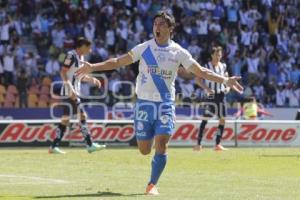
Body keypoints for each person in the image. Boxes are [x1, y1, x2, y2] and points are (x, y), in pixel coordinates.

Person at [76, 11, 243, 195]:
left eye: (162, 24)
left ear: (171, 29)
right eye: (155, 23)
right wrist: (92, 67)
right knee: (145, 150)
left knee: (162, 142)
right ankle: (150, 149)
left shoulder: (178, 52)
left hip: (165, 103)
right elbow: (117, 62)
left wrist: (225, 81)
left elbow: (201, 71)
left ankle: (152, 184)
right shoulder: (144, 48)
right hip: (144, 104)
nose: (157, 26)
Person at [49, 37, 106, 154]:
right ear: (83, 46)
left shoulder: (81, 58)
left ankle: (53, 146)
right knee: (82, 116)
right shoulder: (71, 55)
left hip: (73, 92)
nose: (89, 50)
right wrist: (70, 89)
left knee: (65, 120)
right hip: (70, 92)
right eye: (88, 48)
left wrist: (92, 79)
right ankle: (90, 145)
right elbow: (63, 72)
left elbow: (78, 76)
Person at [193, 46, 230, 152]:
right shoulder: (206, 66)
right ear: (212, 55)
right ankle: (198, 144)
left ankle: (217, 144)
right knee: (205, 118)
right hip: (211, 96)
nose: (219, 57)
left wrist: (227, 88)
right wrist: (207, 89)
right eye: (217, 55)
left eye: (220, 55)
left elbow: (227, 79)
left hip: (221, 95)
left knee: (222, 119)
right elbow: (198, 80)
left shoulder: (223, 66)